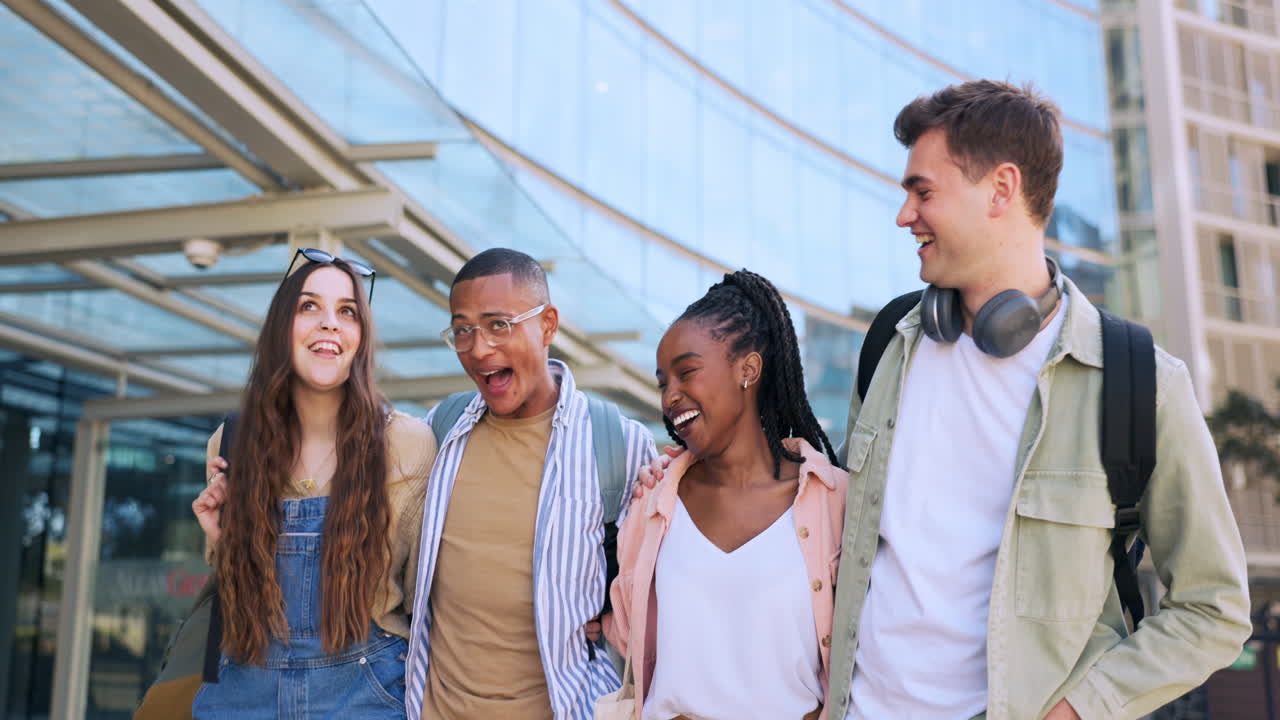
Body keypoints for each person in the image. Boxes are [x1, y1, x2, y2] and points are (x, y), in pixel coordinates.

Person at [822, 81, 1251, 719]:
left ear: (1001, 189)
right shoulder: (886, 346)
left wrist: (1080, 709)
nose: (904, 214)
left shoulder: (1142, 383)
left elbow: (1214, 609)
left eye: (923, 191)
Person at [403, 248, 658, 720]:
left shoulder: (618, 444)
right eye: (463, 330)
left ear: (547, 325)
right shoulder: (440, 428)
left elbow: (657, 585)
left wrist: (612, 613)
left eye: (499, 324)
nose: (479, 349)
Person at [190, 248, 437, 718]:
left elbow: (429, 596)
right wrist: (222, 539)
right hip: (244, 692)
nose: (329, 323)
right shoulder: (231, 441)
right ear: (281, 328)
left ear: (361, 337)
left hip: (365, 694)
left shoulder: (407, 444)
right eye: (309, 307)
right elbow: (237, 599)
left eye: (347, 311)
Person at [604, 270, 848, 720]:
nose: (671, 396)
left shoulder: (833, 500)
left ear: (748, 369)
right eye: (662, 383)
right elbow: (626, 637)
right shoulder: (655, 503)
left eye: (687, 372)